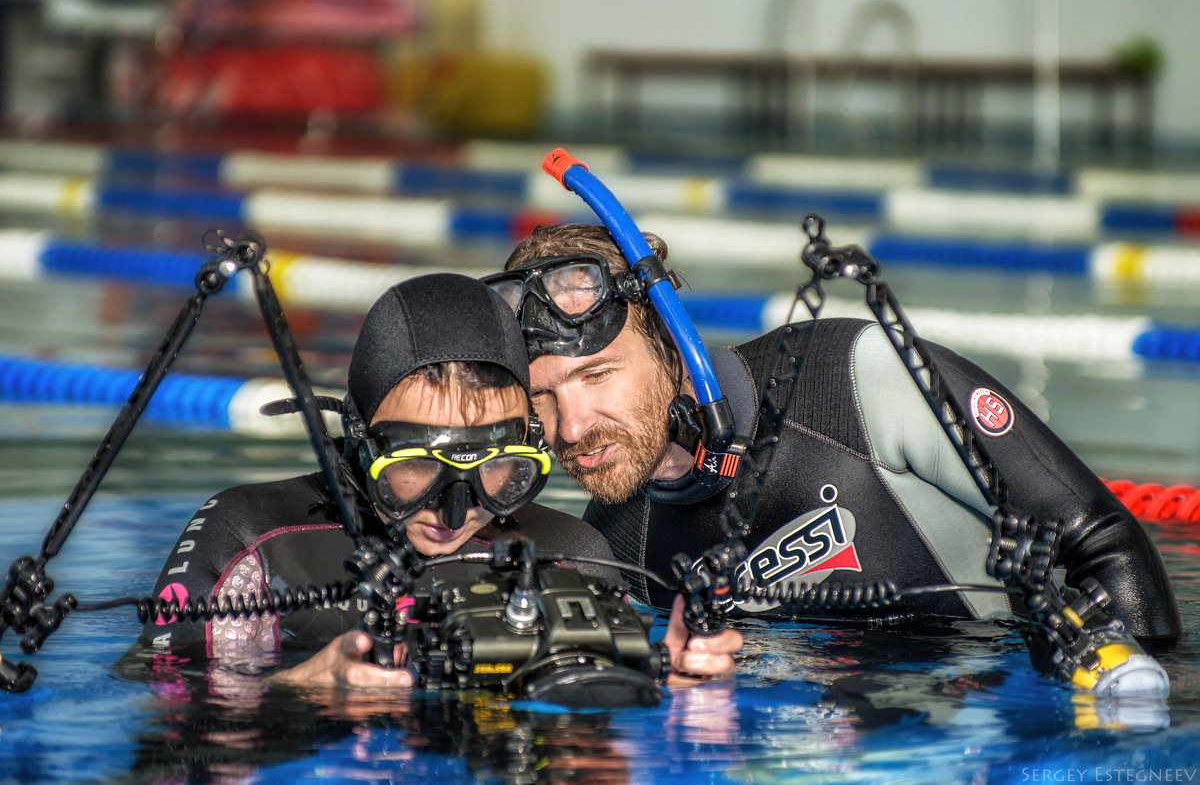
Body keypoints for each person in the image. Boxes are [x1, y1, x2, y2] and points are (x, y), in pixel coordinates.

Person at [484, 222, 1182, 647]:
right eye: (543, 396)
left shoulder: (856, 381)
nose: (570, 427)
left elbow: (1108, 547)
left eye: (599, 375)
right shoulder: (616, 542)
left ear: (670, 343)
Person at [137, 272, 742, 690]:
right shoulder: (256, 535)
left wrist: (676, 679)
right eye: (416, 469)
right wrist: (302, 688)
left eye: (497, 473)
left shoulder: (573, 555)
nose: (456, 512)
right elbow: (161, 724)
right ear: (360, 440)